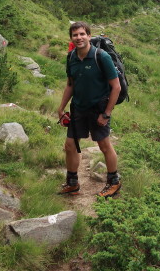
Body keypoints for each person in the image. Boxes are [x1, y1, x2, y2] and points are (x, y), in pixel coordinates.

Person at [56, 21, 122, 198]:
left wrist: (106, 113)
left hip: (98, 109)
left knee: (104, 145)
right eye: (75, 35)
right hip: (78, 108)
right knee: (70, 145)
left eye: (82, 34)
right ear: (71, 38)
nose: (79, 38)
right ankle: (72, 183)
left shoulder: (101, 57)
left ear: (89, 36)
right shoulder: (71, 58)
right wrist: (61, 107)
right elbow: (71, 84)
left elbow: (116, 87)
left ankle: (114, 182)